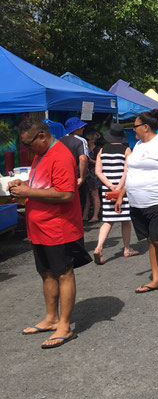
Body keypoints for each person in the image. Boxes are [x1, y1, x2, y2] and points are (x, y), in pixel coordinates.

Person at [9, 118, 92, 348]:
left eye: (27, 144)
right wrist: (23, 183)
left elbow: (66, 194)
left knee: (64, 273)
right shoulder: (41, 154)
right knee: (46, 272)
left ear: (42, 136)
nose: (26, 150)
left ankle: (64, 326)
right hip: (40, 227)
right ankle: (51, 318)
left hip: (59, 227)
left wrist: (28, 191)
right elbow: (43, 182)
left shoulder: (61, 155)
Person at [115, 110, 158, 293]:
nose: (132, 129)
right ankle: (157, 279)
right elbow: (131, 173)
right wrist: (122, 194)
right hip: (137, 202)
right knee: (150, 240)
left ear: (145, 126)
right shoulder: (138, 145)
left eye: (135, 126)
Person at [93, 123, 139, 263]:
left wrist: (110, 185)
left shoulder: (102, 150)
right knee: (125, 220)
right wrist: (119, 186)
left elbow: (98, 171)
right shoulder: (126, 150)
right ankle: (127, 249)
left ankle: (99, 247)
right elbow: (128, 170)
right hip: (123, 190)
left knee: (108, 221)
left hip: (107, 191)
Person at [59, 117, 88, 188]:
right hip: (75, 175)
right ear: (76, 129)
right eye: (82, 127)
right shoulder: (81, 141)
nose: (83, 129)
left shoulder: (60, 140)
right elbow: (83, 158)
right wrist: (82, 177)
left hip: (61, 174)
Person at [82, 130, 101, 223]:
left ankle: (95, 215)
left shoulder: (97, 149)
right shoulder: (85, 148)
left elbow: (99, 162)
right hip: (86, 173)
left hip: (94, 173)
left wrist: (89, 160)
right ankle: (85, 215)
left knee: (94, 194)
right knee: (87, 195)